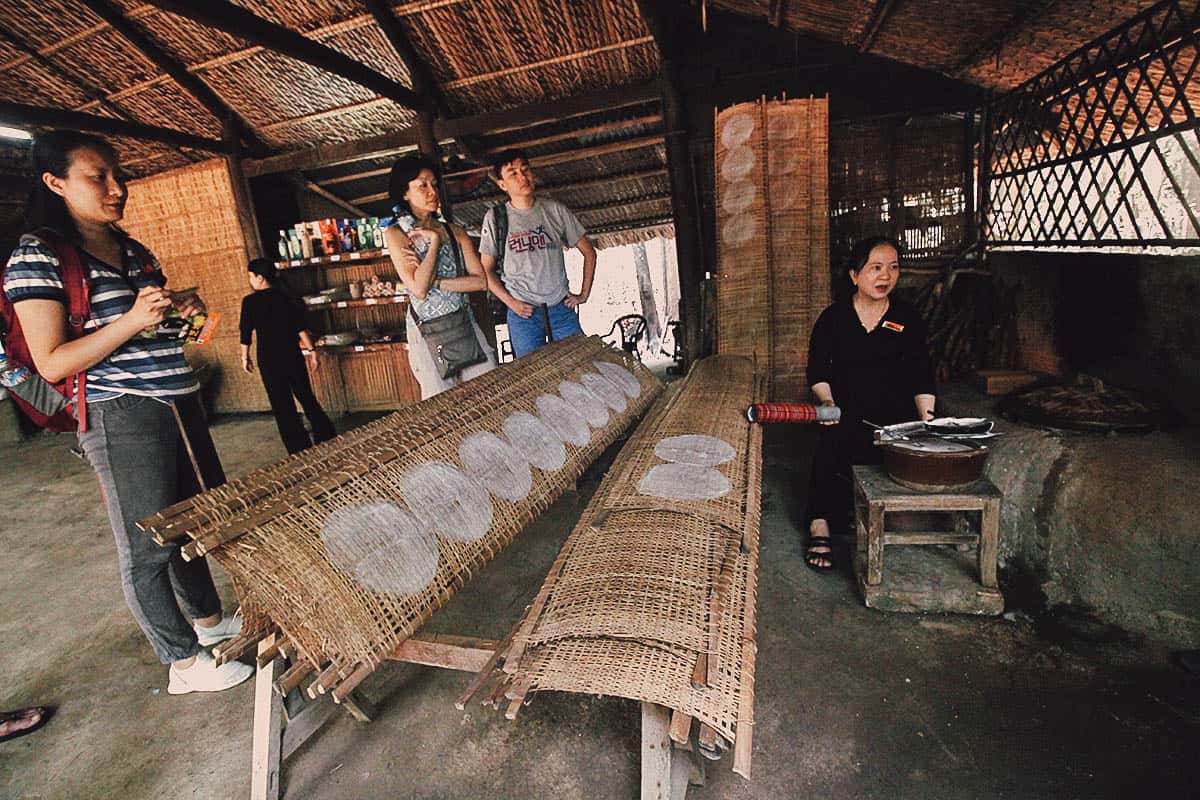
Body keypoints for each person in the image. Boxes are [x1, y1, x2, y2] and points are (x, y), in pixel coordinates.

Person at [2, 131, 251, 693]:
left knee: (188, 525)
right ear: (55, 183)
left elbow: (155, 330)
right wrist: (133, 320)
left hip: (176, 402)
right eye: (98, 177)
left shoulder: (133, 250)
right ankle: (183, 663)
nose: (117, 188)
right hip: (121, 413)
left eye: (119, 175)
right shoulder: (38, 255)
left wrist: (183, 310)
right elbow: (51, 362)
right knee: (145, 545)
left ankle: (209, 626)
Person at [804, 236, 936, 571]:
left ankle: (872, 515)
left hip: (894, 418)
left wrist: (929, 422)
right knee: (829, 447)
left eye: (893, 268)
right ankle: (820, 524)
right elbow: (818, 370)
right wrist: (827, 401)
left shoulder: (907, 318)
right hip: (845, 413)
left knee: (904, 461)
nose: (885, 276)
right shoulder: (833, 319)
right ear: (854, 275)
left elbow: (922, 374)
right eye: (875, 268)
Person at [382, 154, 496, 399]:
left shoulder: (455, 232)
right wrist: (433, 243)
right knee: (441, 405)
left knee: (488, 392)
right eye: (422, 185)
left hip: (463, 324)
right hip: (427, 332)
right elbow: (420, 290)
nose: (432, 191)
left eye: (434, 184)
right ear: (405, 193)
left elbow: (480, 282)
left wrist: (438, 283)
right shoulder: (396, 234)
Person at [478, 149, 597, 358]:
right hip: (523, 313)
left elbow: (589, 252)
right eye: (513, 173)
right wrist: (511, 302)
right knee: (532, 377)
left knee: (582, 366)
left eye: (525, 170)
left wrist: (583, 294)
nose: (523, 177)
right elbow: (485, 271)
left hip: (560, 307)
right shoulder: (496, 218)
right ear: (502, 184)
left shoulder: (555, 211)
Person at [239, 258, 336, 454]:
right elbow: (300, 328)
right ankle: (326, 435)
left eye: (251, 276)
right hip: (292, 355)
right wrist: (312, 352)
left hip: (269, 360)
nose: (250, 280)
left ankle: (297, 447)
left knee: (281, 404)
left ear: (260, 278)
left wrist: (245, 357)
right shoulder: (286, 297)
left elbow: (245, 333)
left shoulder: (250, 302)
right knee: (306, 396)